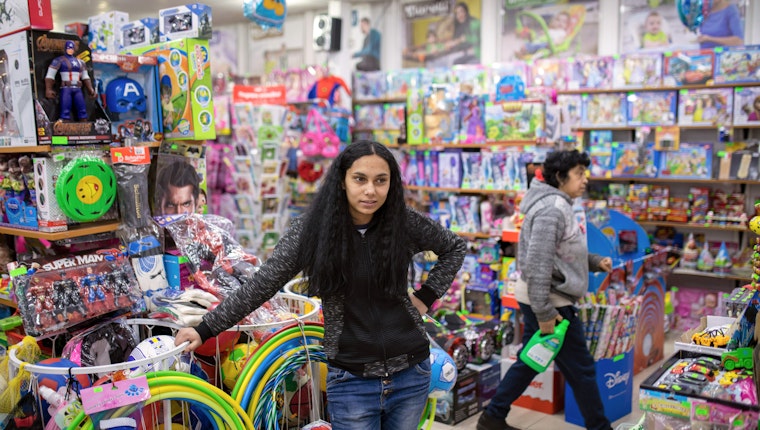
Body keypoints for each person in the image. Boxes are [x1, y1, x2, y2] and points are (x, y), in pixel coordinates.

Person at [175, 140, 467, 430]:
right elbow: (263, 283)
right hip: (352, 382)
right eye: (360, 179)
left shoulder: (402, 222)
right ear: (342, 181)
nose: (370, 190)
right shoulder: (313, 230)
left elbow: (454, 247)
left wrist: (425, 296)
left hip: (411, 373)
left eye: (381, 181)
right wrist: (206, 328)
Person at [477, 150, 613, 430]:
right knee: (581, 370)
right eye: (579, 174)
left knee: (531, 360)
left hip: (546, 296)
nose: (585, 180)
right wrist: (545, 311)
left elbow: (561, 255)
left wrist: (596, 262)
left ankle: (493, 417)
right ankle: (600, 427)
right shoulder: (552, 208)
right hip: (551, 301)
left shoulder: (560, 204)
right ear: (561, 177)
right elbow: (538, 264)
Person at [45, 40, 96, 121]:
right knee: (65, 108)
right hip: (66, 88)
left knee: (82, 108)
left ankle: (84, 125)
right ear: (65, 49)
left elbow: (85, 76)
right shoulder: (59, 60)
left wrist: (90, 89)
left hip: (78, 88)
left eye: (72, 48)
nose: (70, 50)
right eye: (68, 48)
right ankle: (65, 124)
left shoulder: (80, 62)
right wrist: (48, 89)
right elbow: (50, 75)